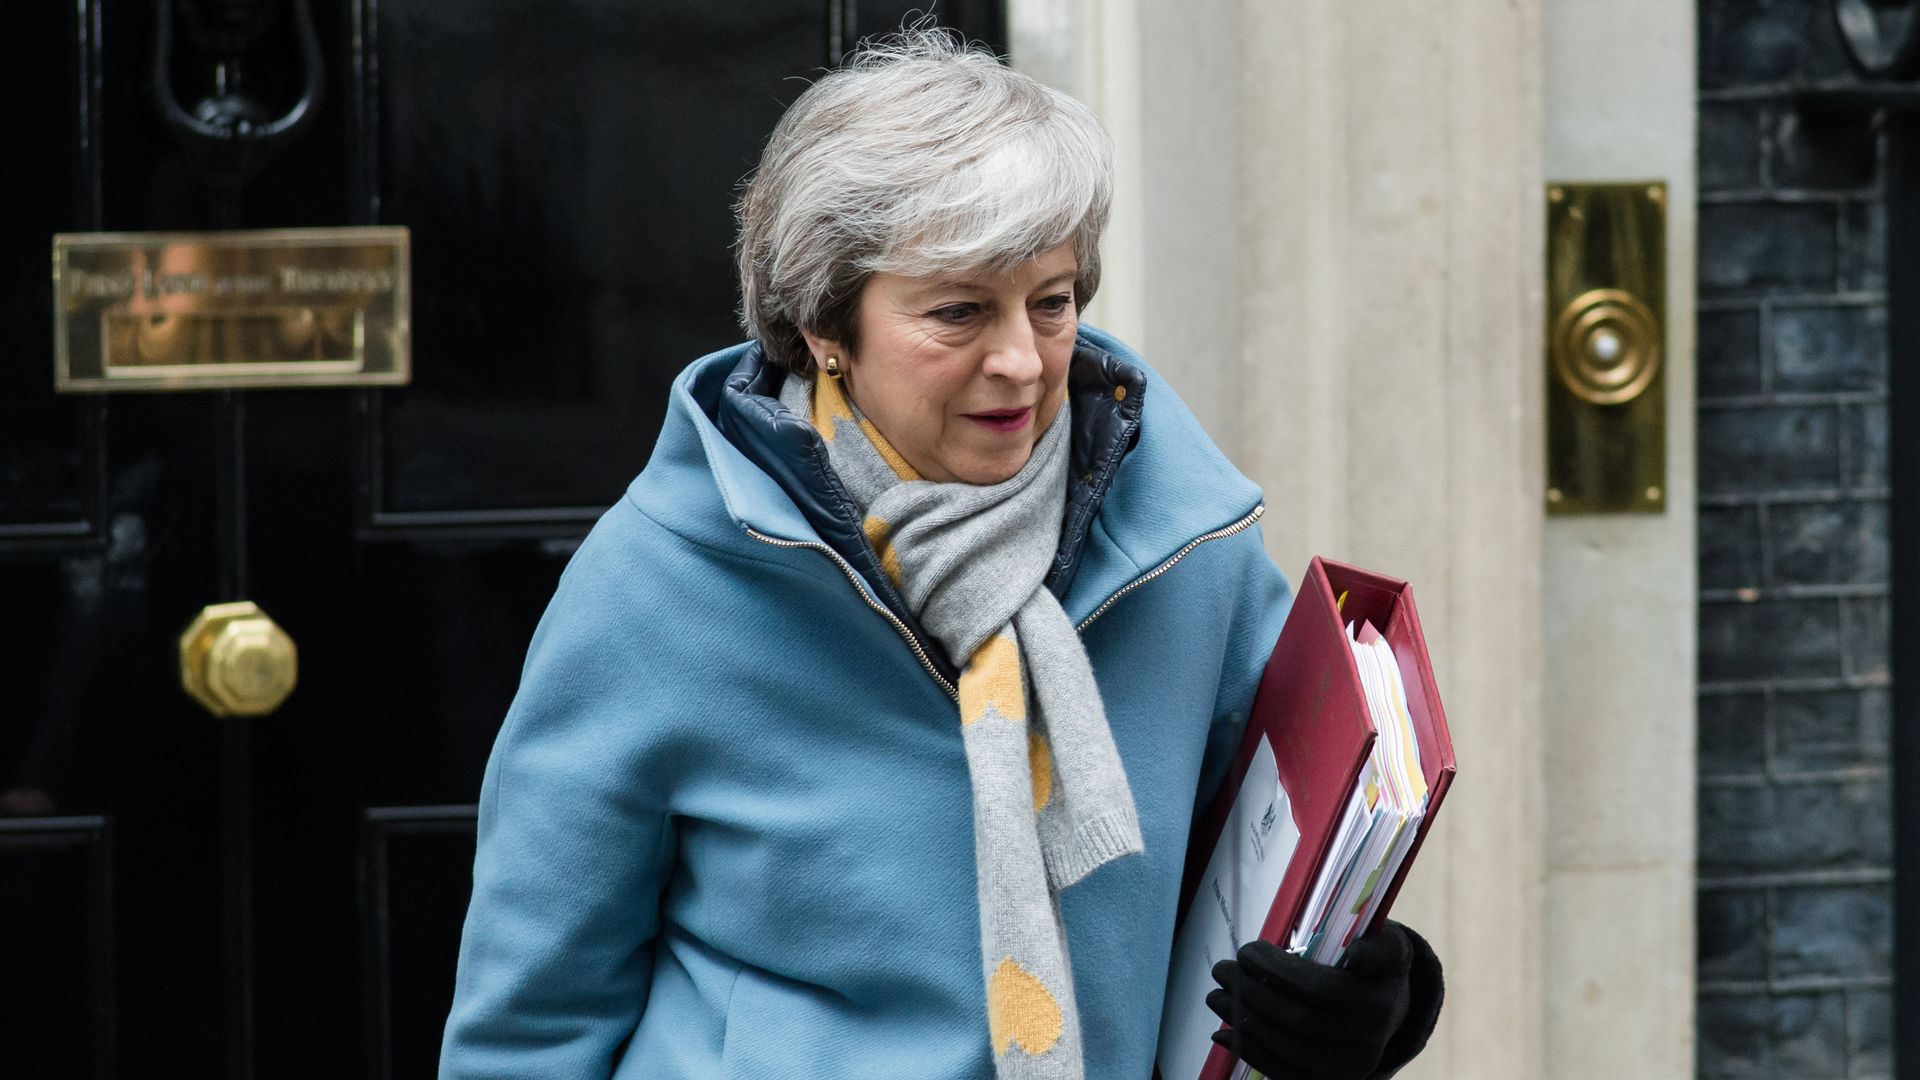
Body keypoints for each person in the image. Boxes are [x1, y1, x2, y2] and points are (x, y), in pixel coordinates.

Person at [439, 29, 1443, 1080]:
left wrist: (1373, 996)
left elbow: (1280, 873)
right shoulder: (656, 586)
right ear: (824, 325)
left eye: (1051, 302)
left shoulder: (1189, 549)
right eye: (958, 310)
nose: (1020, 360)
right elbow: (531, 1023)